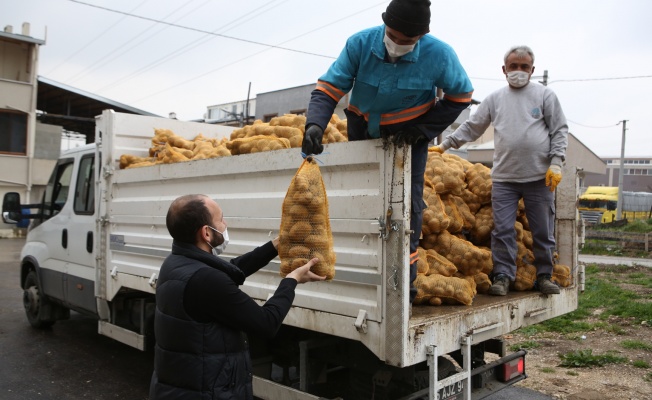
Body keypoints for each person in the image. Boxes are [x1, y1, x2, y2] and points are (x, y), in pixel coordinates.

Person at [301, 0, 473, 303]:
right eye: (393, 36)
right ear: (385, 24)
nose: (398, 44)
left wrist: (423, 130)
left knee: (408, 203)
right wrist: (315, 125)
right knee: (364, 197)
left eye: (408, 41)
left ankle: (405, 279)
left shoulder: (440, 55)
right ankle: (362, 265)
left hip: (411, 136)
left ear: (422, 35)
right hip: (363, 128)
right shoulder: (360, 44)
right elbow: (329, 88)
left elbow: (462, 96)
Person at [149, 194, 326, 399]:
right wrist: (292, 280)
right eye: (221, 219)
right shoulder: (205, 280)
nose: (226, 224)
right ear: (206, 233)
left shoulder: (176, 263)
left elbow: (228, 271)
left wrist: (275, 246)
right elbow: (266, 323)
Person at [433, 45, 568, 296]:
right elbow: (473, 126)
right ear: (504, 69)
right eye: (514, 67)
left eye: (524, 67)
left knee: (542, 231)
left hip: (540, 177)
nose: (519, 71)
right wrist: (445, 145)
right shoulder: (495, 99)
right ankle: (503, 275)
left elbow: (559, 130)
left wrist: (557, 162)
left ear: (532, 70)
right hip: (505, 178)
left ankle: (544, 275)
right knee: (503, 230)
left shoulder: (545, 96)